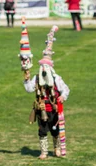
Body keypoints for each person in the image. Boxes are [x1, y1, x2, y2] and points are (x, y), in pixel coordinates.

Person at [23, 26, 70, 159]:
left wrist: (62, 96)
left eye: (46, 66)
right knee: (42, 131)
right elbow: (29, 89)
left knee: (55, 130)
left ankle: (56, 149)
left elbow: (65, 89)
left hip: (54, 109)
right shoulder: (37, 78)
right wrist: (26, 79)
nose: (43, 68)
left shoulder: (56, 79)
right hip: (42, 109)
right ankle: (43, 151)